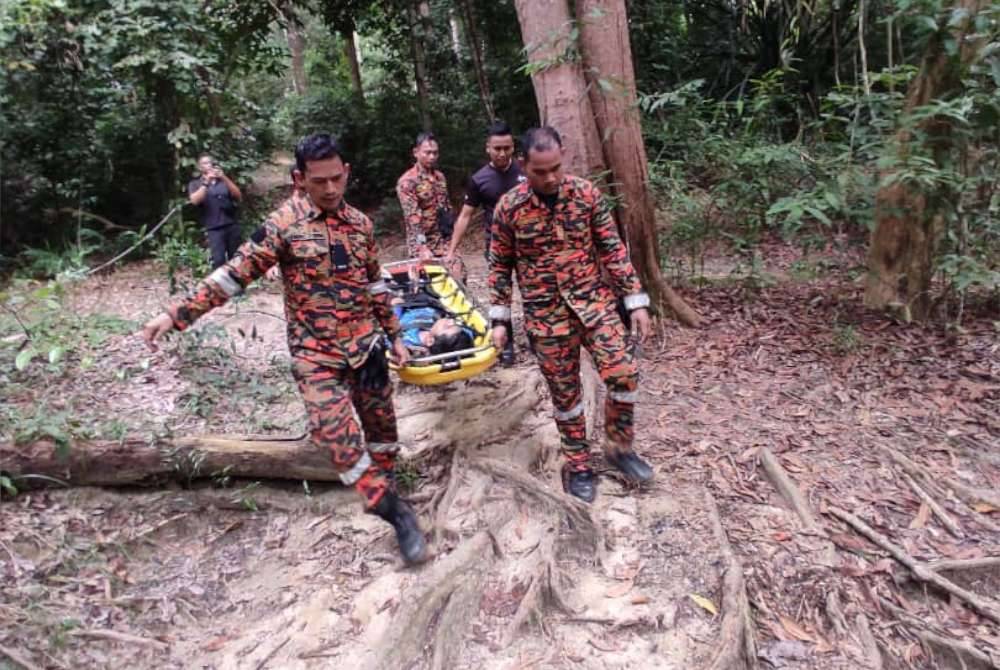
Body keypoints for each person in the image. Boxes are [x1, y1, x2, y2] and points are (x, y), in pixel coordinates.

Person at [143, 134, 428, 564]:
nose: (330, 189)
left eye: (337, 179)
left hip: (366, 347)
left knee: (383, 435)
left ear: (346, 172)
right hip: (316, 356)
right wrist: (178, 313)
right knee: (341, 444)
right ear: (299, 179)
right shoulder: (283, 225)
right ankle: (394, 514)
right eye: (319, 182)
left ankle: (388, 490)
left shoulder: (361, 225)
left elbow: (375, 283)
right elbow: (233, 275)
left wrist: (396, 335)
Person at [488, 126, 654, 504]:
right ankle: (578, 463)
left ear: (563, 156)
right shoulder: (509, 208)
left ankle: (620, 448)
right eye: (539, 172)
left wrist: (636, 299)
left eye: (556, 168)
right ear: (523, 165)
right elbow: (499, 265)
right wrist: (500, 321)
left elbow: (611, 248)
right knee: (567, 397)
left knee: (623, 375)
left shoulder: (586, 194)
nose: (549, 178)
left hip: (595, 306)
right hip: (546, 317)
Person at [445, 120, 526, 366]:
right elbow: (466, 215)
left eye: (507, 148)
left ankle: (538, 336)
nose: (502, 153)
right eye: (497, 148)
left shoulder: (526, 170)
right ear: (487, 148)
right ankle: (506, 343)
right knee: (499, 294)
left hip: (527, 244)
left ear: (513, 147)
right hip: (496, 246)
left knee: (531, 291)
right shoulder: (479, 179)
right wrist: (451, 250)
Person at [396, 132, 454, 261]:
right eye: (427, 153)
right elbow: (412, 218)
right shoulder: (407, 182)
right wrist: (422, 247)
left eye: (435, 153)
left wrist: (452, 240)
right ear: (416, 152)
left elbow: (447, 208)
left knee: (458, 276)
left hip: (443, 240)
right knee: (430, 279)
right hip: (422, 243)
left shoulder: (440, 177)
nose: (432, 157)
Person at [188, 154, 244, 268]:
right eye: (205, 163)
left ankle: (237, 284)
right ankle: (219, 284)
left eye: (210, 162)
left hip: (231, 224)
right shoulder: (195, 184)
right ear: (200, 167)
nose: (208, 165)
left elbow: (238, 195)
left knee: (236, 258)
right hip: (214, 228)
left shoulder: (223, 181)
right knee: (218, 260)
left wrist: (224, 177)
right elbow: (194, 201)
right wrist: (206, 183)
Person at [392, 297, 475, 355]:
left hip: (405, 308)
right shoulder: (454, 337)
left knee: (395, 300)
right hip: (426, 303)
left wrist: (397, 306)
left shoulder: (408, 340)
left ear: (430, 341)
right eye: (454, 324)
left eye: (447, 326)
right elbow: (467, 334)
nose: (451, 321)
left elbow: (391, 339)